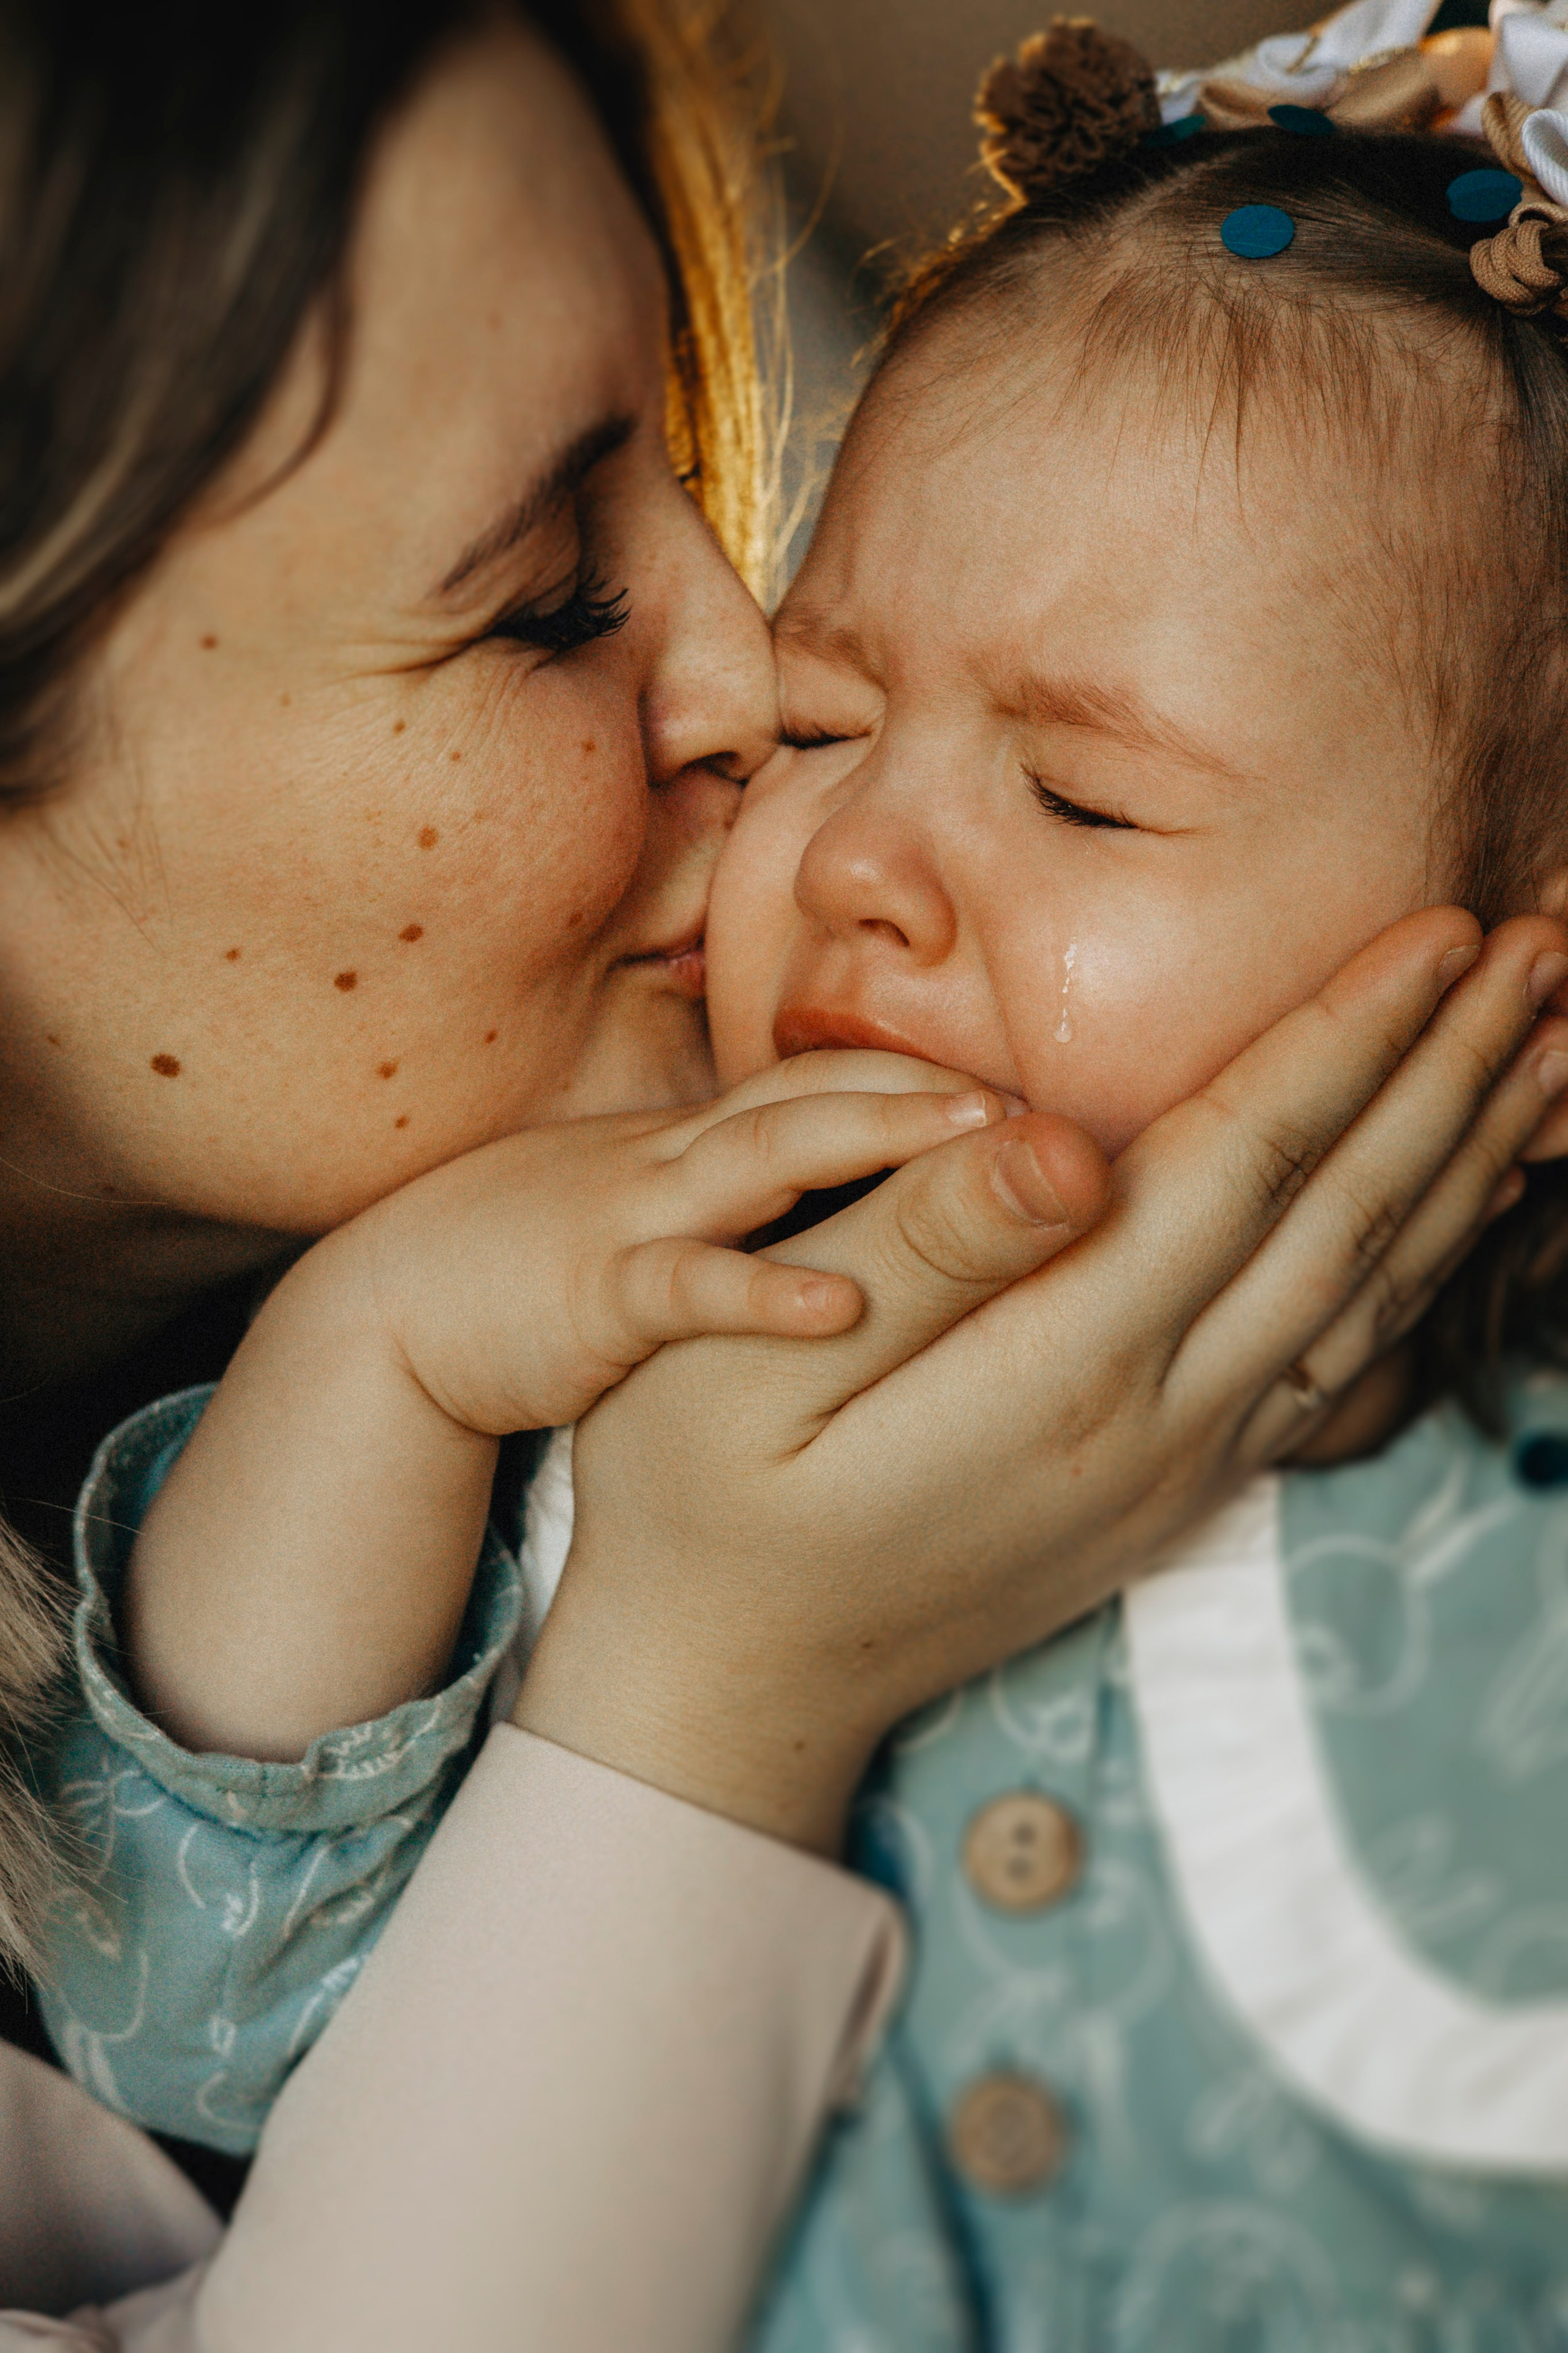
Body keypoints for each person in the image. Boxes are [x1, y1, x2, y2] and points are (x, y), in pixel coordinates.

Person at [7, 1, 1566, 2347]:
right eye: (543, 584)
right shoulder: (601, 1338)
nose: (791, 784)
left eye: (1088, 798)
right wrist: (400, 1362)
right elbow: (193, 2004)